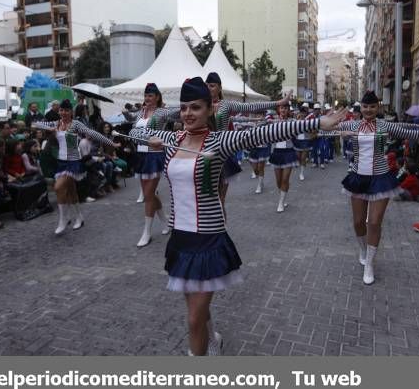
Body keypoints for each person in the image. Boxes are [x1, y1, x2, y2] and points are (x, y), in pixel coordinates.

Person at [130, 77, 346, 356]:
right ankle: (213, 338)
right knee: (196, 307)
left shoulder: (220, 141)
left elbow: (264, 134)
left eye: (195, 107)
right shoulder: (173, 141)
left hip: (207, 240)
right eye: (183, 108)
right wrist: (151, 138)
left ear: (210, 110)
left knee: (193, 319)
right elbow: (132, 133)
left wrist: (316, 123)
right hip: (180, 240)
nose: (187, 114)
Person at [338, 91, 419, 285]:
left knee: (374, 222)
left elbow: (415, 133)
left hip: (380, 178)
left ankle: (370, 263)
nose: (368, 110)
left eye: (372, 107)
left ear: (377, 108)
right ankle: (363, 250)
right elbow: (321, 128)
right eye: (365, 106)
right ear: (360, 108)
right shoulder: (351, 125)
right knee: (358, 222)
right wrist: (342, 134)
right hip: (357, 177)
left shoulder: (385, 125)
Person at [32, 99, 117, 235]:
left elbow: (93, 133)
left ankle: (63, 219)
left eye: (66, 110)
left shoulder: (75, 124)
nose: (63, 113)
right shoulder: (56, 123)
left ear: (71, 111)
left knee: (58, 187)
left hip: (72, 161)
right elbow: (36, 124)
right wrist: (45, 127)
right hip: (61, 161)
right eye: (61, 110)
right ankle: (79, 217)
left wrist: (110, 142)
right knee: (71, 191)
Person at [205, 72, 288, 205]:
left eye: (212, 86)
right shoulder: (201, 105)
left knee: (220, 200)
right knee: (207, 200)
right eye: (207, 85)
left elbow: (251, 106)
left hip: (222, 154)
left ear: (219, 88)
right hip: (205, 154)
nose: (209, 88)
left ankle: (220, 224)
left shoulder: (225, 105)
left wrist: (278, 102)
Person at [122, 83, 179, 246]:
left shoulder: (162, 112)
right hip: (141, 156)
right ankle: (166, 221)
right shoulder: (141, 112)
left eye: (151, 96)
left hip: (154, 156)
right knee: (151, 194)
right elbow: (133, 128)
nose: (147, 98)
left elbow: (178, 113)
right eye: (146, 95)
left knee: (148, 194)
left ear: (157, 97)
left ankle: (146, 232)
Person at [268, 103, 300, 212]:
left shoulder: (293, 122)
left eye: (286, 108)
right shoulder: (273, 121)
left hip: (288, 153)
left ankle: (281, 202)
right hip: (276, 152)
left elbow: (299, 130)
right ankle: (283, 196)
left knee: (285, 179)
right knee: (278, 181)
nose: (283, 110)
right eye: (282, 108)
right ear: (278, 109)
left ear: (288, 110)